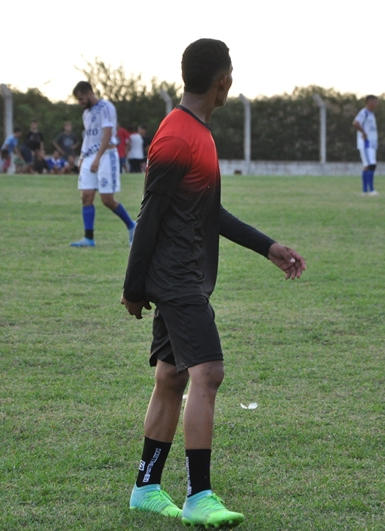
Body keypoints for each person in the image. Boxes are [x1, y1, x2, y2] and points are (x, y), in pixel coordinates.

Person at [122, 39, 306, 528]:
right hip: (176, 278)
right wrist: (133, 288)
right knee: (209, 373)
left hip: (183, 275)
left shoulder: (197, 132)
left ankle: (146, 488)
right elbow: (149, 215)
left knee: (172, 377)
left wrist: (268, 246)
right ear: (223, 80)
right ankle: (199, 496)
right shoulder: (176, 137)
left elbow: (209, 211)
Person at [69, 82, 136, 247]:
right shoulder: (86, 113)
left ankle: (132, 226)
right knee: (86, 196)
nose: (80, 102)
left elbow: (107, 133)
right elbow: (88, 137)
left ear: (89, 93)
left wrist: (98, 157)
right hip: (89, 156)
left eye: (81, 99)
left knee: (107, 199)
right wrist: (82, 157)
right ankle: (89, 238)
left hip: (106, 155)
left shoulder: (106, 107)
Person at [353, 95, 379, 196]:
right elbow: (356, 123)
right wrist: (363, 133)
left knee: (367, 166)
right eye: (375, 102)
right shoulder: (364, 112)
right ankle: (371, 190)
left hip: (371, 144)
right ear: (369, 102)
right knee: (371, 164)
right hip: (366, 143)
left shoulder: (371, 114)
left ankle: (365, 191)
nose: (376, 104)